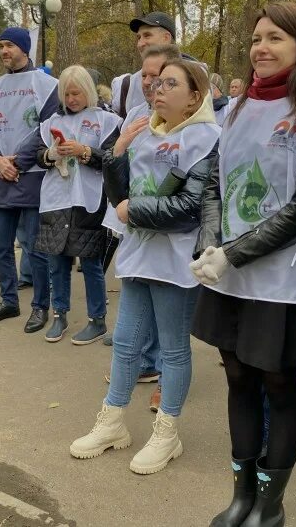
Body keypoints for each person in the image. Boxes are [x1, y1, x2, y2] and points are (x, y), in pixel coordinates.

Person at [191, 2, 296, 526]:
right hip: (227, 273)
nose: (261, 47)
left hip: (282, 277)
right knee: (237, 378)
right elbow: (214, 182)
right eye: (257, 38)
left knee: (279, 385)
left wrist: (231, 253)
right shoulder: (236, 108)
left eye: (275, 38)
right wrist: (210, 244)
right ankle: (242, 495)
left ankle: (271, 502)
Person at [70, 58, 219, 475]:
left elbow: (192, 207)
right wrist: (116, 155)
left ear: (194, 97)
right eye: (154, 83)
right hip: (138, 254)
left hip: (175, 261)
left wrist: (133, 209)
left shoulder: (208, 138)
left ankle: (167, 433)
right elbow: (118, 198)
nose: (157, 89)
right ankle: (112, 423)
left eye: (170, 83)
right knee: (126, 345)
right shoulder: (142, 130)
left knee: (172, 349)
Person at [101, 44, 182, 409]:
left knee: (172, 333)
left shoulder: (195, 124)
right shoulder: (135, 114)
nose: (149, 83)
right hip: (136, 239)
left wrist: (134, 210)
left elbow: (190, 195)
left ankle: (167, 385)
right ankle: (116, 409)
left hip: (172, 244)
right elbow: (119, 185)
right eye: (145, 75)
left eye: (158, 76)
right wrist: (118, 149)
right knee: (126, 333)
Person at [0, 27, 59, 331]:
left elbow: (47, 129)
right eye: (0, 45)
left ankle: (40, 306)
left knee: (35, 248)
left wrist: (18, 164)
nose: (4, 50)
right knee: (2, 247)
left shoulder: (47, 84)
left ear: (24, 48)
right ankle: (9, 301)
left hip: (32, 175)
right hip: (0, 176)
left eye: (10, 45)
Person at [35, 65, 121, 343]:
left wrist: (84, 152)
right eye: (67, 94)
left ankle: (97, 321)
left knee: (91, 262)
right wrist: (50, 153)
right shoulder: (49, 123)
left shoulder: (106, 121)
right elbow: (36, 157)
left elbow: (112, 159)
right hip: (56, 199)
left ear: (88, 92)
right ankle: (59, 315)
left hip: (88, 199)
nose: (72, 99)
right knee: (56, 261)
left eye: (77, 93)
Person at [110, 12, 183, 117]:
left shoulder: (196, 78)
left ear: (166, 38)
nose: (140, 44)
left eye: (147, 35)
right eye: (139, 37)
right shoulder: (128, 84)